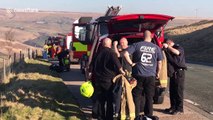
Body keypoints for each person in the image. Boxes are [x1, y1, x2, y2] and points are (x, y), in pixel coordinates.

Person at [123, 30, 163, 119]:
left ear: (142, 36)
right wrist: (158, 72)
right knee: (149, 97)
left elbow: (125, 53)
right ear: (151, 37)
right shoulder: (156, 48)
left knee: (137, 96)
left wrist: (131, 63)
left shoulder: (137, 45)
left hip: (138, 75)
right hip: (150, 76)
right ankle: (148, 116)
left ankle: (136, 115)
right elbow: (160, 62)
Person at [92, 38, 125, 120]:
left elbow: (93, 65)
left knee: (100, 101)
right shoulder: (111, 53)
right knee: (109, 101)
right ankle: (109, 118)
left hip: (98, 80)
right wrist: (123, 72)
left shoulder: (97, 53)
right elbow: (118, 65)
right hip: (108, 81)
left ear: (103, 44)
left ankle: (100, 117)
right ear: (110, 45)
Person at [163, 39, 187, 115]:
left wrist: (168, 47)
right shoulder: (168, 49)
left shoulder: (178, 47)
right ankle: (173, 107)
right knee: (172, 91)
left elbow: (177, 52)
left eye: (166, 44)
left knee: (178, 91)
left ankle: (180, 109)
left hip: (179, 72)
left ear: (169, 43)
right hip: (173, 73)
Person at [112, 37, 132, 118]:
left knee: (125, 94)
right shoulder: (125, 51)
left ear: (126, 43)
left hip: (127, 76)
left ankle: (123, 112)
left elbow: (117, 55)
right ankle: (119, 111)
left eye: (123, 42)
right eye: (121, 43)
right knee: (119, 94)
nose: (122, 44)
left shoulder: (128, 50)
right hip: (122, 76)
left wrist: (114, 45)